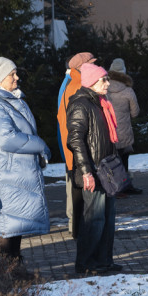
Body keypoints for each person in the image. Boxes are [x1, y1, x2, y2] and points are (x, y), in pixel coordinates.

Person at [0, 56, 51, 260]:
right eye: (11, 74)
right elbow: (6, 139)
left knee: (15, 226)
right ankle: (8, 271)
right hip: (7, 174)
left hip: (17, 174)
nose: (17, 77)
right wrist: (39, 144)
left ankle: (15, 268)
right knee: (8, 227)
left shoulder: (13, 101)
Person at [67, 63, 122, 275]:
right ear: (91, 82)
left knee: (108, 219)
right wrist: (86, 171)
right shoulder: (81, 104)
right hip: (93, 171)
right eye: (103, 80)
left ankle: (104, 260)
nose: (108, 83)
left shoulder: (100, 102)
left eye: (107, 79)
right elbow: (75, 140)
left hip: (107, 171)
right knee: (94, 219)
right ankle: (86, 263)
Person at [57, 52, 97, 238]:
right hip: (78, 153)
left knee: (79, 197)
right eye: (91, 63)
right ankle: (79, 232)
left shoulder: (77, 84)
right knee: (78, 197)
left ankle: (79, 230)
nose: (94, 66)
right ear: (80, 67)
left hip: (77, 152)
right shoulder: (75, 87)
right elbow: (73, 129)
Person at [106, 58, 143, 195]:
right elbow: (135, 113)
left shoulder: (103, 88)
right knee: (124, 159)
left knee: (111, 161)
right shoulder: (128, 91)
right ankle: (125, 186)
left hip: (108, 131)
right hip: (124, 132)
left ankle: (114, 187)